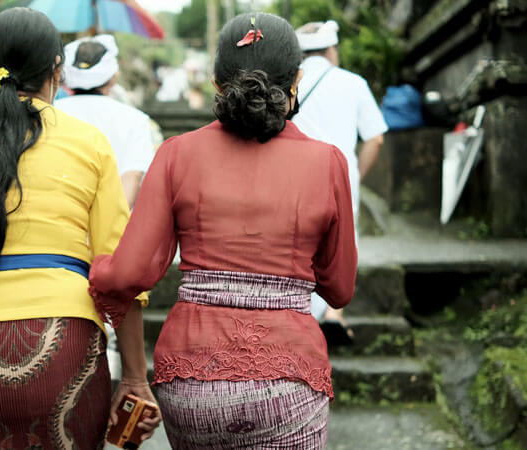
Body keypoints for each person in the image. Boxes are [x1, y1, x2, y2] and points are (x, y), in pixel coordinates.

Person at [89, 12, 357, 449]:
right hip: (288, 380)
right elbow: (340, 289)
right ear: (297, 82)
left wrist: (94, 268)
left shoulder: (177, 154)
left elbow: (128, 274)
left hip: (191, 381)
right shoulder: (328, 163)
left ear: (216, 83)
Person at [0, 9, 159, 449]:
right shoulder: (89, 142)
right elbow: (118, 274)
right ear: (57, 70)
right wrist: (134, 377)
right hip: (63, 339)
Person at [292, 20, 388, 340]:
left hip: (295, 171)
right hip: (341, 173)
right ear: (331, 49)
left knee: (299, 239)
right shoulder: (353, 82)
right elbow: (375, 138)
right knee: (342, 239)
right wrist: (356, 174)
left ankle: (299, 311)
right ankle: (334, 312)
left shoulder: (287, 83)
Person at [55, 35, 155, 208]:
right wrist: (113, 228)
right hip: (114, 224)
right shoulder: (135, 119)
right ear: (114, 77)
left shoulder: (49, 111)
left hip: (58, 220)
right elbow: (132, 176)